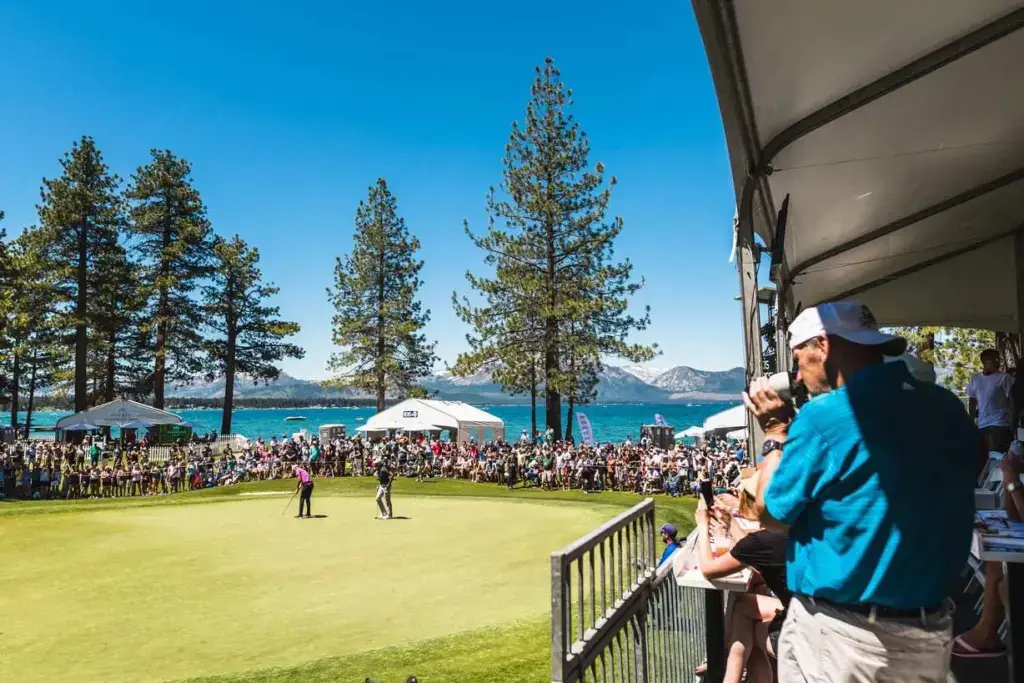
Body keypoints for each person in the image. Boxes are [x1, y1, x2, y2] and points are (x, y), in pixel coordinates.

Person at [745, 301, 976, 682]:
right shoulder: (946, 407)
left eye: (798, 358)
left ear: (822, 346)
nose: (798, 375)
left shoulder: (826, 417)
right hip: (929, 627)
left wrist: (774, 434)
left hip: (843, 634)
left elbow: (770, 513)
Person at [696, 474, 788, 683]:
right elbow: (754, 547)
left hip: (803, 630)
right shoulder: (787, 528)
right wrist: (730, 521)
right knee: (744, 604)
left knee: (748, 623)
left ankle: (728, 669)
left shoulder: (765, 540)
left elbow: (708, 570)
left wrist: (702, 524)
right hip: (816, 611)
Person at [968, 348, 1014, 454]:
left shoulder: (1004, 377)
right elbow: (972, 401)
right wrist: (971, 421)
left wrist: (1012, 422)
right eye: (995, 359)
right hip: (982, 424)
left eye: (999, 359)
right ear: (985, 361)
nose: (998, 362)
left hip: (1000, 423)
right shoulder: (975, 379)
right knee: (983, 457)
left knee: (997, 455)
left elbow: (1012, 400)